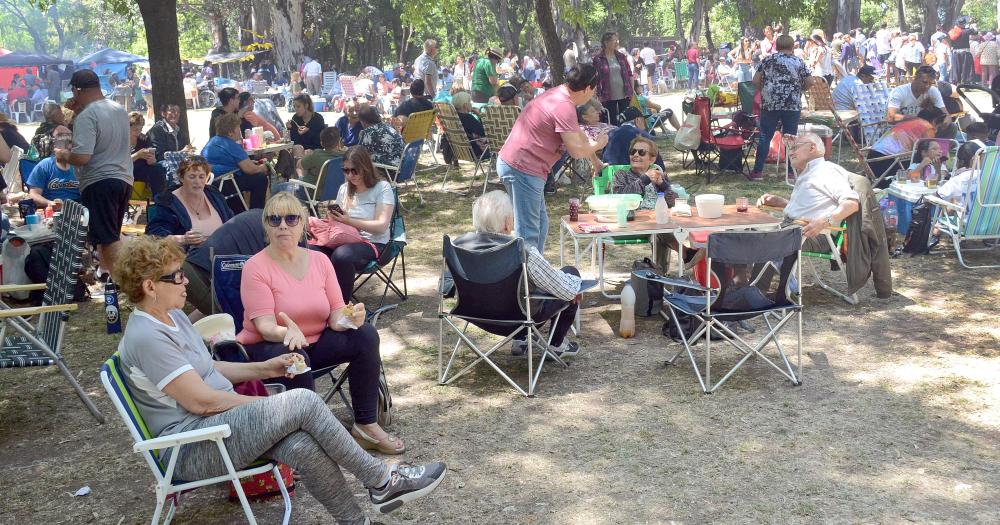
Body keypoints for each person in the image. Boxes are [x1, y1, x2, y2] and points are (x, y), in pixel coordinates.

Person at [114, 235, 446, 523]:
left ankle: (355, 520)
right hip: (191, 448)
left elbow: (209, 370)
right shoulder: (148, 337)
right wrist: (266, 405)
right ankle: (382, 480)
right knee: (300, 402)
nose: (186, 281)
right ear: (149, 286)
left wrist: (267, 369)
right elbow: (201, 401)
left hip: (219, 429)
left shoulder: (172, 317)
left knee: (300, 444)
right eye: (177, 277)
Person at [235, 192, 403, 452]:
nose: (283, 225)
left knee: (365, 335)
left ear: (303, 223)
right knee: (295, 356)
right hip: (269, 346)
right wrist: (286, 331)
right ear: (266, 225)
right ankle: (307, 442)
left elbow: (336, 315)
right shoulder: (255, 267)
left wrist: (350, 318)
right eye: (274, 219)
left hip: (316, 341)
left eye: (291, 219)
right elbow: (264, 326)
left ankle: (366, 426)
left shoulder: (320, 260)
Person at [452, 190, 583, 357]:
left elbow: (446, 286)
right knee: (570, 274)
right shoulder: (522, 251)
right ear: (507, 223)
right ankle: (555, 344)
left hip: (475, 315)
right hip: (519, 319)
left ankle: (521, 341)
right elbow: (564, 289)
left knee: (523, 287)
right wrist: (576, 287)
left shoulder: (458, 247)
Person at [497, 64, 607, 253]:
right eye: (595, 89)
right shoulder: (563, 105)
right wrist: (599, 144)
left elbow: (576, 133)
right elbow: (575, 150)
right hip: (522, 167)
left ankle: (535, 273)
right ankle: (526, 279)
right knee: (528, 231)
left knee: (540, 225)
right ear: (588, 88)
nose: (595, 94)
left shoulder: (560, 94)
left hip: (522, 166)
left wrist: (595, 162)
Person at [54, 69, 132, 277]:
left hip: (100, 180)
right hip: (123, 177)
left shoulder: (87, 116)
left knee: (108, 238)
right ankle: (110, 278)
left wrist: (63, 155)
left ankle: (124, 281)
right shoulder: (118, 109)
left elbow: (82, 157)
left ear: (77, 90)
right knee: (110, 235)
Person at [757, 133, 860, 247]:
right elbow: (812, 207)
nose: (790, 153)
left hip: (811, 234)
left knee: (750, 240)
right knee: (744, 233)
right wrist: (782, 202)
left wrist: (824, 221)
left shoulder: (826, 170)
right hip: (793, 229)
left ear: (812, 147)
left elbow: (852, 204)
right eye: (790, 149)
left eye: (795, 148)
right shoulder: (811, 172)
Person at [322, 146, 395, 301]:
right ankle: (317, 302)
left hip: (374, 243)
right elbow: (340, 222)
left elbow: (381, 226)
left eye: (354, 170)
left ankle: (341, 306)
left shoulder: (382, 188)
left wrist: (350, 221)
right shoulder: (344, 189)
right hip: (345, 239)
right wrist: (334, 217)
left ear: (365, 168)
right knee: (312, 251)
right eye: (346, 170)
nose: (350, 175)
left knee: (342, 256)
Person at [750, 35, 816, 181]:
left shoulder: (767, 60)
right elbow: (811, 81)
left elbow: (755, 80)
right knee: (790, 137)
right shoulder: (798, 61)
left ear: (777, 46)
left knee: (765, 136)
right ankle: (791, 172)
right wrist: (800, 90)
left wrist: (764, 90)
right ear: (792, 46)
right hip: (792, 104)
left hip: (770, 103)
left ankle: (758, 171)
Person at [145, 156, 234, 248]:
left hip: (222, 254)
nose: (197, 181)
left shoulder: (214, 194)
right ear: (181, 178)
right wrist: (183, 239)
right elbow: (155, 236)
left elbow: (232, 223)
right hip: (186, 258)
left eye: (201, 177)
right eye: (192, 177)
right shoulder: (168, 201)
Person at [201, 113, 269, 211]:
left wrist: (250, 163)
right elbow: (250, 170)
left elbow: (229, 162)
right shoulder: (230, 144)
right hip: (223, 183)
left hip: (210, 183)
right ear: (230, 132)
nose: (239, 131)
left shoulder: (213, 141)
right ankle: (256, 213)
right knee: (260, 178)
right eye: (238, 128)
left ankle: (238, 211)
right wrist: (263, 167)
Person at [867, 107, 948, 188]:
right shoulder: (928, 127)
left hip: (872, 156)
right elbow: (927, 145)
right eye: (938, 127)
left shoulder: (912, 122)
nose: (936, 131)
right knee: (909, 171)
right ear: (934, 121)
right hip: (887, 161)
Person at [611, 136, 671, 209]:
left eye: (641, 152)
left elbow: (673, 202)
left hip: (658, 217)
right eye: (633, 152)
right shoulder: (621, 175)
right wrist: (645, 179)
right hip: (632, 218)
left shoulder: (658, 175)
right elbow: (620, 196)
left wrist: (663, 185)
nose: (635, 155)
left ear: (652, 159)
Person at [25, 125, 79, 207]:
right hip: (51, 207)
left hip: (77, 206)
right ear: (54, 147)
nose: (65, 150)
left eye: (68, 145)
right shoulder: (44, 165)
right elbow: (34, 194)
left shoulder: (79, 165)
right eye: (61, 145)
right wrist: (49, 203)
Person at [592, 32, 634, 125]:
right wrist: (596, 95)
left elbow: (629, 74)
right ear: (606, 43)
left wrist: (632, 91)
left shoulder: (621, 56)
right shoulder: (598, 59)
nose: (617, 42)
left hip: (624, 93)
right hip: (607, 95)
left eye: (617, 40)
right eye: (614, 40)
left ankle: (625, 137)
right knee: (612, 121)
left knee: (625, 119)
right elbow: (596, 79)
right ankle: (614, 138)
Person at [129, 112, 168, 197]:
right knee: (155, 173)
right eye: (135, 130)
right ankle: (159, 199)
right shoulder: (121, 141)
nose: (138, 133)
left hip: (143, 168)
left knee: (160, 169)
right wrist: (137, 155)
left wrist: (152, 160)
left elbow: (152, 161)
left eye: (141, 129)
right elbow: (120, 162)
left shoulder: (143, 139)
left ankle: (160, 199)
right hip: (128, 170)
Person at [449, 91, 488, 159]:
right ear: (465, 105)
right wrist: (480, 115)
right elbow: (485, 132)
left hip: (457, 151)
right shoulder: (468, 118)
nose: (471, 104)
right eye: (470, 102)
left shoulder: (453, 117)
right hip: (474, 151)